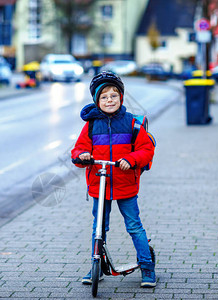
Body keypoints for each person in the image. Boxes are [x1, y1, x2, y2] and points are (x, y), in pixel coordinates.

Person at [71, 71, 156, 288]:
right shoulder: (91, 125)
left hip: (125, 183)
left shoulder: (132, 123)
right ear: (97, 101)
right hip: (99, 184)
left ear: (121, 98)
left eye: (114, 96)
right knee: (98, 228)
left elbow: (146, 149)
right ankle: (96, 265)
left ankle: (147, 266)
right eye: (104, 97)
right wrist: (82, 156)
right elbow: (79, 149)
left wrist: (131, 158)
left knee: (134, 225)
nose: (109, 100)